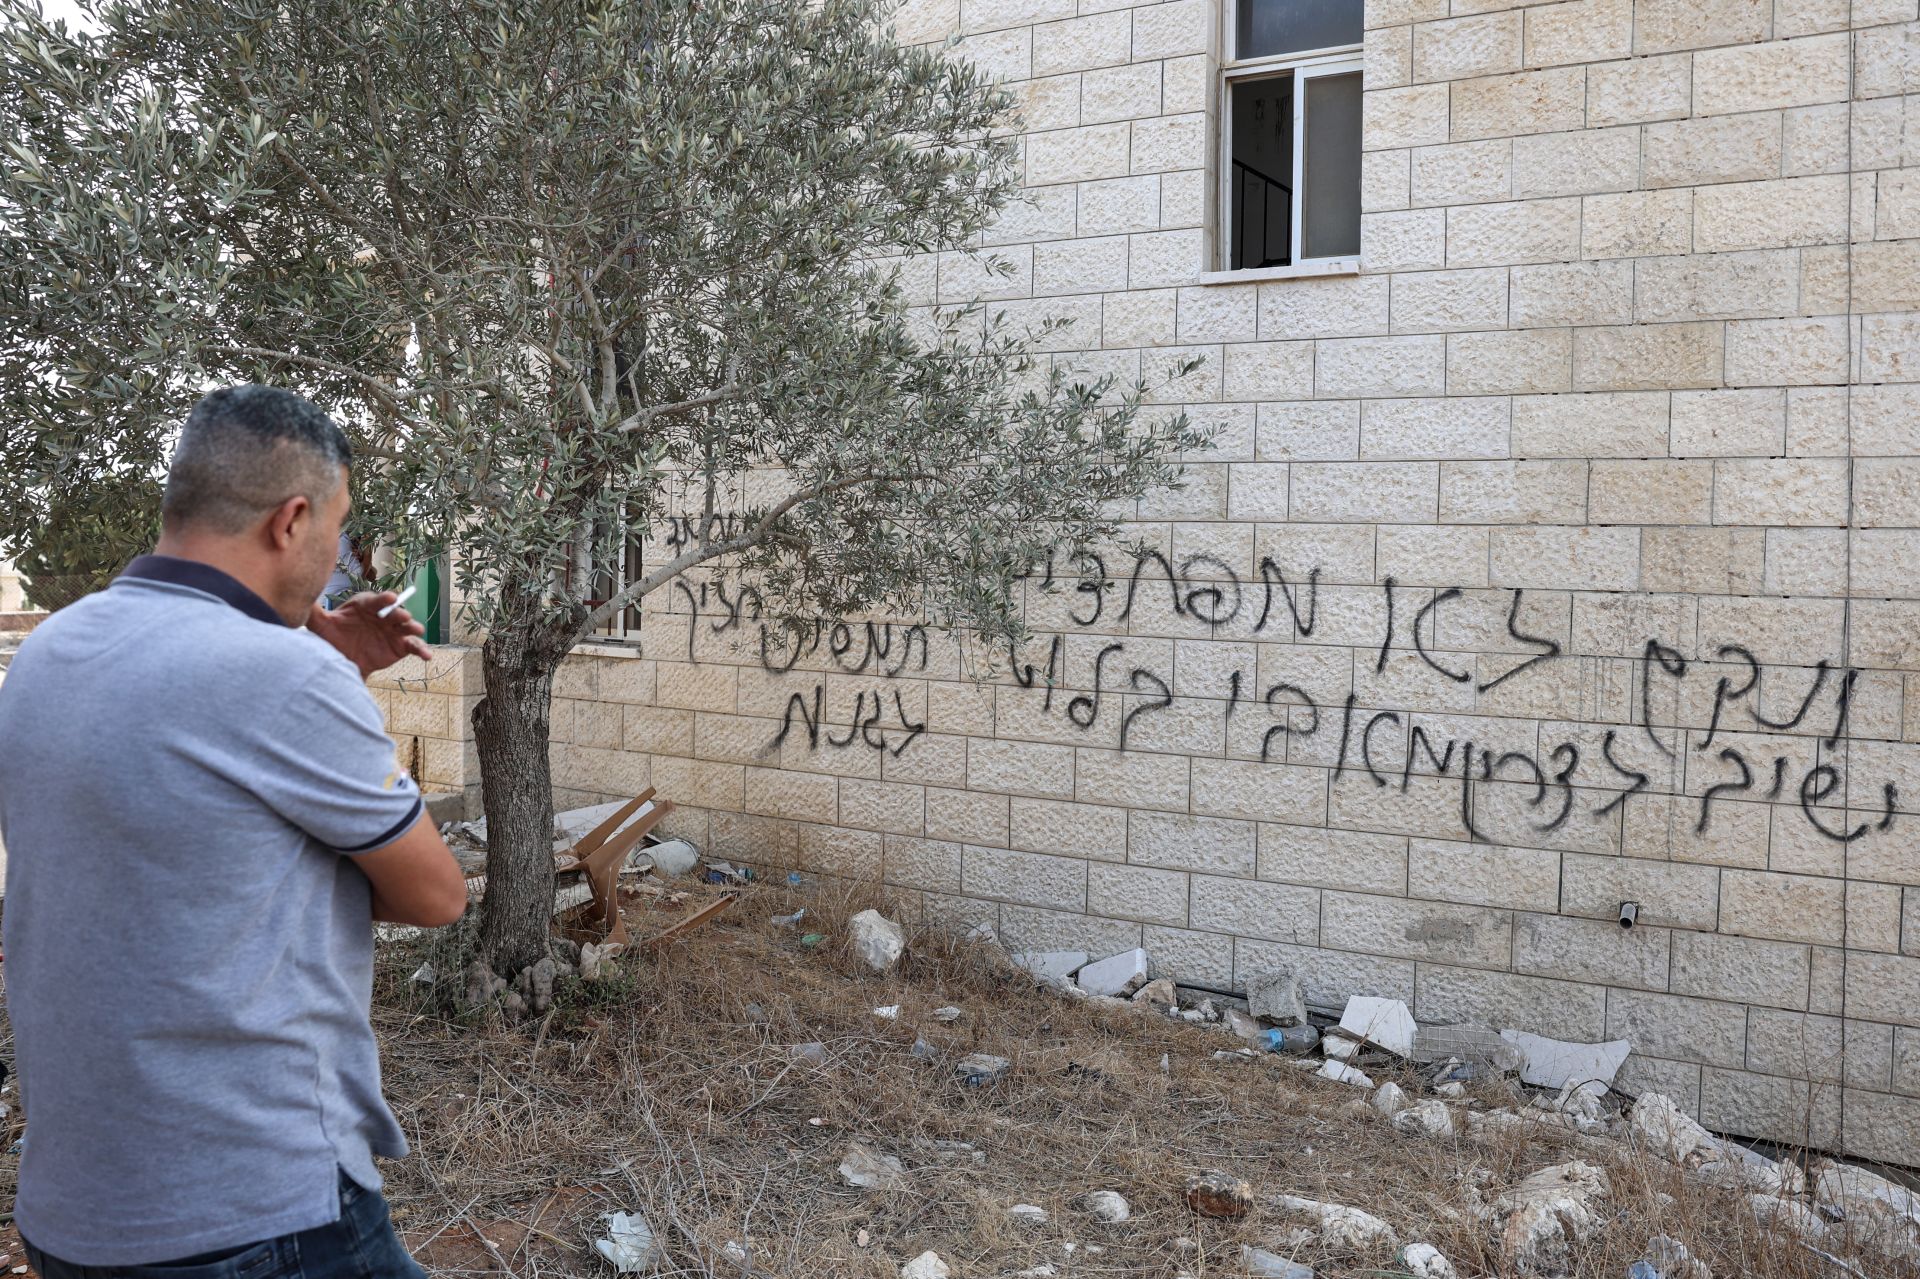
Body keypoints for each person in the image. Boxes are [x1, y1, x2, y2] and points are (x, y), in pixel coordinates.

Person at [0, 385, 469, 1276]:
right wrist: (323, 675)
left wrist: (323, 662)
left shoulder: (50, 651)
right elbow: (436, 894)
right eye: (339, 528)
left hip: (75, 1214)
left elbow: (185, 860)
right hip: (254, 1216)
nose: (340, 559)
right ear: (291, 521)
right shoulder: (281, 675)